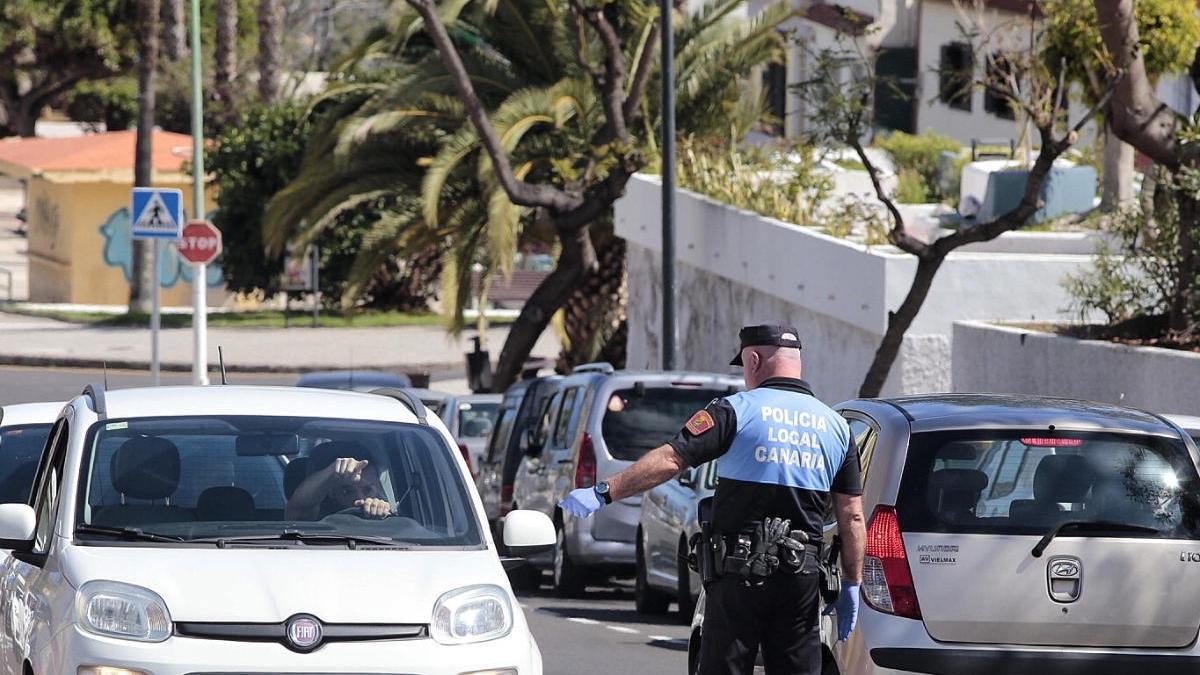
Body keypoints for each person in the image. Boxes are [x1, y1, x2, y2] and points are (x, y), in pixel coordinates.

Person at [560, 324, 866, 675]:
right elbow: (852, 516)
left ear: (753, 359)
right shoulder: (836, 427)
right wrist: (852, 584)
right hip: (801, 579)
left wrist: (605, 491)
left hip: (739, 574)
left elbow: (671, 460)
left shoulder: (736, 410)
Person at [285, 442, 392, 520]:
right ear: (331, 493)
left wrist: (382, 515)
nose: (360, 499)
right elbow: (300, 509)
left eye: (368, 490)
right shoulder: (314, 522)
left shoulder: (384, 517)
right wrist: (332, 471)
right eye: (347, 492)